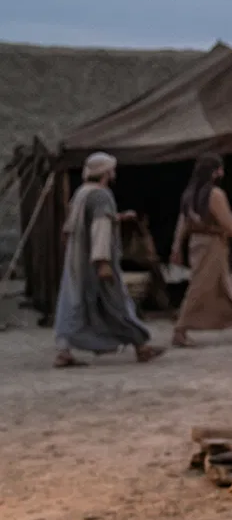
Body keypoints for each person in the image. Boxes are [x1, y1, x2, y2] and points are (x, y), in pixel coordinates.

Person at [53, 152, 163, 368]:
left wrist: (118, 217)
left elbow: (73, 227)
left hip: (77, 260)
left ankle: (63, 351)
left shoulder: (82, 193)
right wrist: (102, 262)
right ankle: (141, 346)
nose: (114, 173)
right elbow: (100, 228)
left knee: (74, 302)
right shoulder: (102, 196)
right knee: (117, 303)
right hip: (96, 260)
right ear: (105, 172)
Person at [168, 153, 232, 347]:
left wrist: (177, 245)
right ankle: (180, 330)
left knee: (224, 285)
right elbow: (228, 221)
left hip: (199, 243)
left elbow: (183, 223)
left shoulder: (190, 194)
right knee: (200, 286)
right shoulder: (214, 195)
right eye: (219, 169)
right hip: (211, 245)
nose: (222, 172)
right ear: (213, 172)